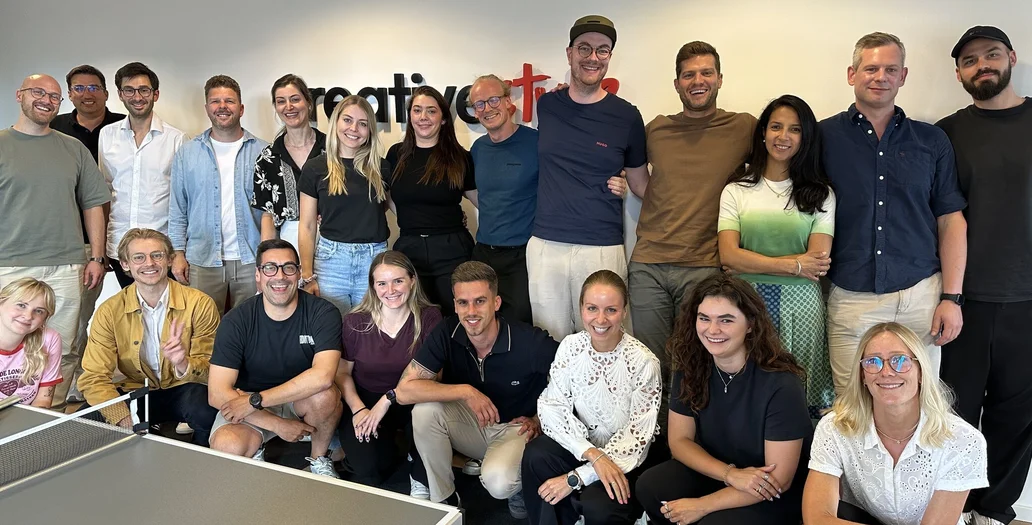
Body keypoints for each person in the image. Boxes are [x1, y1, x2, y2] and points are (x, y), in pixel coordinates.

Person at [820, 32, 968, 393]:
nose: (880, 77)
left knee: (920, 402)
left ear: (903, 76)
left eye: (890, 69)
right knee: (851, 405)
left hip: (921, 296)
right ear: (852, 74)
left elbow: (950, 220)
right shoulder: (822, 137)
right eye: (871, 68)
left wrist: (952, 299)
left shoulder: (931, 140)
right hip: (851, 297)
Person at [937, 26, 1031, 525]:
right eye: (970, 61)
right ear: (958, 74)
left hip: (1028, 298)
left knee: (1017, 416)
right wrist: (949, 295)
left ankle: (993, 511)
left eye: (991, 55)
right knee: (952, 414)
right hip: (963, 299)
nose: (982, 66)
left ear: (1011, 57)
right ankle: (953, 508)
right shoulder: (946, 133)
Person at [629, 41, 755, 411]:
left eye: (705, 73)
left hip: (704, 265)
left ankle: (690, 435)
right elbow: (639, 180)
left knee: (696, 361)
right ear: (677, 83)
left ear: (719, 79)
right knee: (650, 363)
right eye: (688, 75)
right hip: (649, 264)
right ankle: (654, 437)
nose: (697, 81)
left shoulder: (743, 127)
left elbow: (777, 165)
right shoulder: (657, 129)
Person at [635, 274, 813, 525]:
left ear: (750, 324)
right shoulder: (691, 365)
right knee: (651, 486)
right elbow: (679, 441)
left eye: (726, 320)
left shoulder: (782, 383)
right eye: (704, 318)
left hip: (771, 490)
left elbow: (780, 480)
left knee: (712, 522)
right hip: (722, 471)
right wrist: (729, 474)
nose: (712, 330)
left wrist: (702, 506)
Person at [394, 261, 559, 518]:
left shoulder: (529, 341)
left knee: (499, 483)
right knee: (424, 411)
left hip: (516, 430)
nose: (471, 312)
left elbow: (574, 380)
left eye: (480, 301)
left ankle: (518, 480)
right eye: (463, 303)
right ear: (455, 305)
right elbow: (404, 391)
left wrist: (540, 419)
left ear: (496, 303)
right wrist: (466, 392)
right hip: (472, 424)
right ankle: (445, 500)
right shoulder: (447, 331)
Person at [718, 94, 836, 418]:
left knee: (800, 386)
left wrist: (752, 262)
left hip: (802, 306)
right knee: (747, 385)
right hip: (745, 303)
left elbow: (818, 261)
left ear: (805, 137)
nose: (783, 136)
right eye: (776, 127)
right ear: (763, 133)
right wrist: (794, 264)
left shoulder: (821, 194)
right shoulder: (737, 190)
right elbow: (728, 256)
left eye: (795, 129)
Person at [802, 322, 988, 525]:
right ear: (862, 375)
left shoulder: (964, 440)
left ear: (921, 371)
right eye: (873, 361)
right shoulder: (834, 427)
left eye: (900, 360)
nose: (886, 372)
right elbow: (816, 518)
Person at [530, 15, 645, 339]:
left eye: (602, 50)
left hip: (601, 245)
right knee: (549, 340)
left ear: (609, 56)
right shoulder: (547, 105)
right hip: (546, 245)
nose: (593, 57)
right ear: (570, 53)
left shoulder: (627, 116)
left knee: (604, 338)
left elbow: (641, 184)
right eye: (584, 48)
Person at [0, 74, 110, 410]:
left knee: (63, 347)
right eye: (38, 92)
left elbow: (93, 204)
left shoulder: (73, 148)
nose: (46, 100)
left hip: (67, 264)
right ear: (19, 95)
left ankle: (51, 418)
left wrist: (97, 257)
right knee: (7, 346)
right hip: (9, 265)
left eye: (54, 96)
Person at [522, 270, 661, 525]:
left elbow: (637, 439)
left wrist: (576, 477)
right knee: (536, 455)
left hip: (627, 457)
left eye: (611, 310)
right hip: (588, 448)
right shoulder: (570, 346)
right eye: (592, 308)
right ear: (581, 309)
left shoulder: (644, 362)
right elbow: (552, 406)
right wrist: (591, 454)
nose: (600, 319)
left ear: (624, 311)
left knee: (598, 505)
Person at [207, 239, 343, 478]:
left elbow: (322, 377)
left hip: (297, 399)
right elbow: (217, 393)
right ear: (258, 275)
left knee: (325, 395)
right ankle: (256, 444)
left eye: (288, 268)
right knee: (227, 446)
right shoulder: (236, 320)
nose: (280, 276)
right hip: (250, 403)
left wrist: (256, 400)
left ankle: (319, 459)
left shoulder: (323, 313)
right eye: (270, 268)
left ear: (298, 273)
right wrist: (277, 424)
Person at [77, 229, 220, 446]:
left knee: (208, 410)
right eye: (139, 257)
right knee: (82, 423)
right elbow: (94, 377)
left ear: (170, 260)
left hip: (186, 389)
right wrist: (126, 420)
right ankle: (149, 438)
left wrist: (183, 363)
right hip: (135, 390)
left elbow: (213, 372)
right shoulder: (109, 311)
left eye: (157, 255)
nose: (149, 263)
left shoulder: (199, 303)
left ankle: (202, 459)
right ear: (125, 264)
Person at [334, 250, 441, 496]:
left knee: (429, 418)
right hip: (366, 401)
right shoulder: (355, 321)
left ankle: (419, 467)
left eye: (398, 281)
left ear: (412, 280)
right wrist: (358, 409)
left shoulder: (429, 317)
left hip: (414, 401)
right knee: (369, 469)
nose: (390, 290)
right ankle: (395, 448)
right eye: (382, 283)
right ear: (373, 286)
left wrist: (388, 399)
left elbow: (434, 376)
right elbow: (342, 374)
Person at [49, 65, 125, 406]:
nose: (87, 94)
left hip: (120, 235)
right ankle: (73, 382)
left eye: (94, 87)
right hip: (73, 238)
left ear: (106, 93)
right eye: (79, 88)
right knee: (75, 319)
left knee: (132, 313)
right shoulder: (54, 128)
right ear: (69, 94)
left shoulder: (123, 126)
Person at [169, 75, 267, 315]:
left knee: (251, 327)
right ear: (207, 108)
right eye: (215, 101)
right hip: (202, 260)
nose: (222, 106)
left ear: (241, 108)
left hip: (251, 259)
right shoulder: (187, 153)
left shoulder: (264, 151)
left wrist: (269, 258)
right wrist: (178, 253)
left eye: (229, 101)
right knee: (203, 328)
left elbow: (271, 212)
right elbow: (178, 209)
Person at [387, 86, 477, 318]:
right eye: (417, 110)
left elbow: (482, 202)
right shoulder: (396, 155)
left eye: (431, 111)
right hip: (409, 249)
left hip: (452, 250)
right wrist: (414, 218)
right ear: (410, 116)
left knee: (456, 319)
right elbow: (387, 197)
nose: (423, 117)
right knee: (415, 320)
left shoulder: (460, 157)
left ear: (444, 118)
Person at [298, 95, 389, 314]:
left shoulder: (382, 168)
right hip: (331, 262)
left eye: (362, 123)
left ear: (370, 130)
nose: (354, 129)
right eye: (347, 120)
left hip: (374, 259)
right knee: (331, 328)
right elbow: (307, 226)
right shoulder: (315, 168)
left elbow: (386, 207)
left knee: (371, 329)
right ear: (336, 122)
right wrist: (307, 275)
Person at [100, 62, 185, 288]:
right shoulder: (107, 135)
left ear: (155, 94)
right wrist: (101, 248)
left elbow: (182, 200)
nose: (137, 97)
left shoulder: (176, 139)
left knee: (166, 307)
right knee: (130, 306)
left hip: (162, 249)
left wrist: (179, 249)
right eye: (129, 90)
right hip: (119, 247)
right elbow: (105, 192)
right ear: (120, 94)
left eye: (144, 90)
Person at [467, 74, 537, 324]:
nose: (487, 108)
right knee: (480, 324)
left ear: (508, 101)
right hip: (484, 252)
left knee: (519, 325)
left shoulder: (536, 143)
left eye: (493, 100)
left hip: (523, 256)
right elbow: (480, 194)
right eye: (479, 104)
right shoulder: (478, 149)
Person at [251, 74, 326, 250]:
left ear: (308, 102)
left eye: (295, 99)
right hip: (288, 245)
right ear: (276, 107)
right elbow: (268, 215)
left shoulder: (332, 150)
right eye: (281, 101)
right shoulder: (267, 159)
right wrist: (267, 256)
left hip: (333, 243)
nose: (289, 106)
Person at [0, 278, 60, 408]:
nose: (28, 316)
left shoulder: (49, 339)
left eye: (39, 311)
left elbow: (43, 400)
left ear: (45, 319)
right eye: (21, 305)